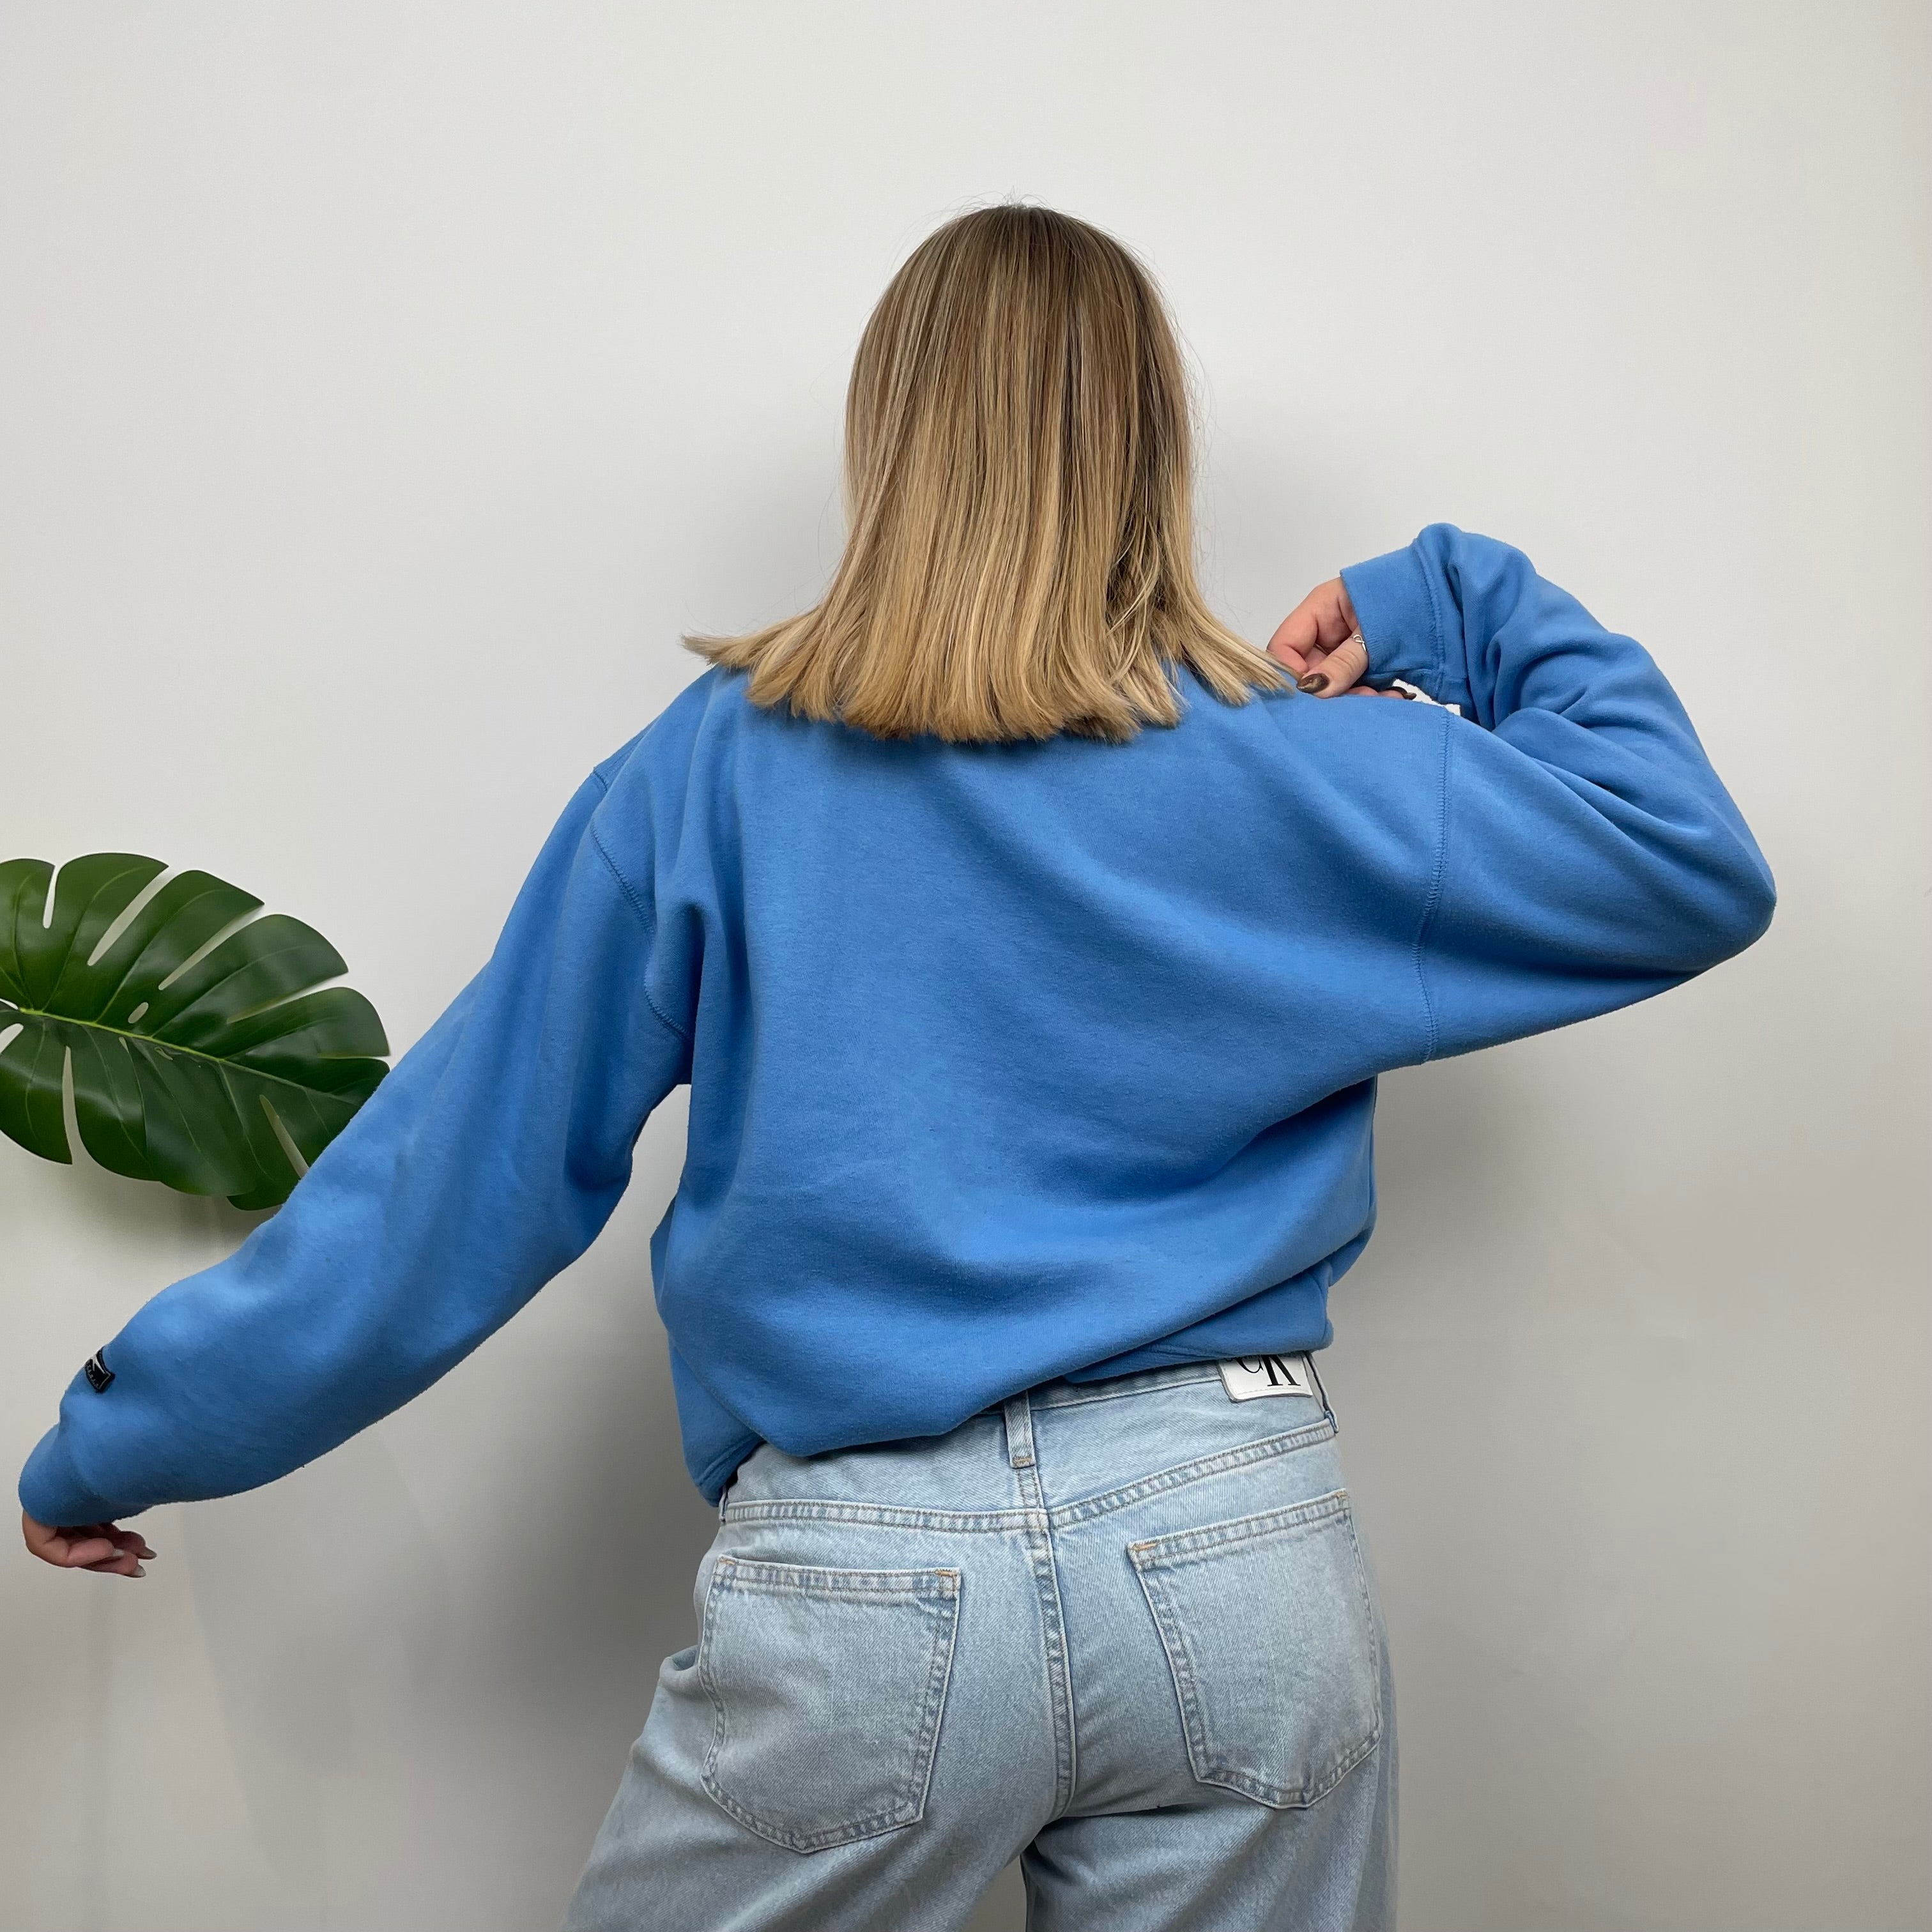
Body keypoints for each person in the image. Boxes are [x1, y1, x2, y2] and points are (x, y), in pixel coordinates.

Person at [19, 203, 1775, 1931]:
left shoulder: (714, 771)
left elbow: (456, 1184)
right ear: (1152, 447)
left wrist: (127, 1433)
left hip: (869, 1585)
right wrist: (1450, 599)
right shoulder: (1299, 773)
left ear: (892, 437)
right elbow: (1685, 854)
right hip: (1239, 1565)